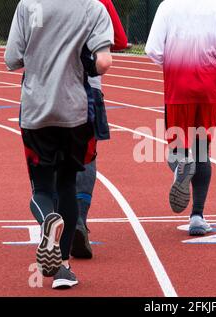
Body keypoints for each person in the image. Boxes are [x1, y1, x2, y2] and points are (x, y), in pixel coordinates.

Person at [5, 0, 113, 289]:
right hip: (75, 110)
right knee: (67, 185)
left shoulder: (28, 4)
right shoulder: (93, 7)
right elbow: (103, 63)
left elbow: (11, 58)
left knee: (41, 189)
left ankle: (47, 221)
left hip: (36, 109)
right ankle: (64, 269)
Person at [145, 0, 216, 236]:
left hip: (177, 86)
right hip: (209, 87)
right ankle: (197, 217)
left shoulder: (167, 7)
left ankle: (181, 163)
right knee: (203, 150)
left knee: (176, 148)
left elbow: (153, 50)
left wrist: (173, 64)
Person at [71, 0, 128, 260]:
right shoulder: (98, 2)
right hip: (88, 87)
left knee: (48, 156)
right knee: (86, 156)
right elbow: (118, 39)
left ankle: (52, 220)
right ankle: (80, 219)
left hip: (44, 91)